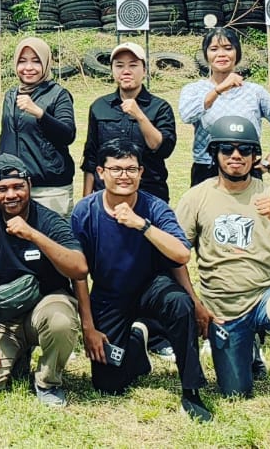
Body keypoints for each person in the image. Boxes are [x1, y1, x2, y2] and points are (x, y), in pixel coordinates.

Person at [174, 117, 270, 428]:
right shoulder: (197, 197)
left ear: (255, 155)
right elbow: (174, 257)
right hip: (223, 309)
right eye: (227, 149)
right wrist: (197, 305)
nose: (236, 155)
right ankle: (249, 349)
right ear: (214, 153)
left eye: (245, 149)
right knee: (235, 392)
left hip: (266, 295)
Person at [71, 140, 212, 421]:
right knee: (108, 385)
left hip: (151, 286)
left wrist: (142, 225)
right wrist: (88, 327)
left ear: (141, 172)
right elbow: (78, 275)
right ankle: (136, 344)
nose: (124, 176)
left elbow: (181, 254)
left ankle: (191, 390)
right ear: (100, 172)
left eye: (131, 169)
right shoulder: (84, 212)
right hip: (109, 294)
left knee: (179, 303)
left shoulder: (154, 207)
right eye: (116, 169)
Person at [0, 154, 87, 407]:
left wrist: (33, 235)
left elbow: (79, 269)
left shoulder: (49, 220)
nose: (11, 195)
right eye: (2, 189)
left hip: (43, 307)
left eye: (18, 187)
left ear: (29, 186)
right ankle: (18, 353)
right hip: (1, 313)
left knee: (61, 321)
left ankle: (48, 380)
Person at [180, 26, 270, 188]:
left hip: (246, 170)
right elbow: (187, 115)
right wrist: (218, 90)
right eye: (214, 49)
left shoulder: (255, 92)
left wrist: (267, 163)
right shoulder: (193, 90)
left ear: (237, 53)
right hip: (207, 171)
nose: (221, 54)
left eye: (228, 48)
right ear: (206, 55)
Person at [81, 42, 176, 202]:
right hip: (106, 194)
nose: (126, 71)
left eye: (133, 65)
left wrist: (140, 115)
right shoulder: (99, 106)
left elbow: (163, 149)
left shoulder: (160, 107)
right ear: (112, 70)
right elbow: (91, 156)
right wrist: (86, 200)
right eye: (119, 66)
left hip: (149, 193)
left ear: (144, 70)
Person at [0, 37, 76, 218]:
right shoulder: (11, 95)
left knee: (53, 242)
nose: (28, 67)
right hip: (15, 187)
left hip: (50, 188)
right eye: (22, 61)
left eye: (36, 61)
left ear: (46, 63)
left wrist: (39, 113)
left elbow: (68, 135)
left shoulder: (58, 95)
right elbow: (6, 137)